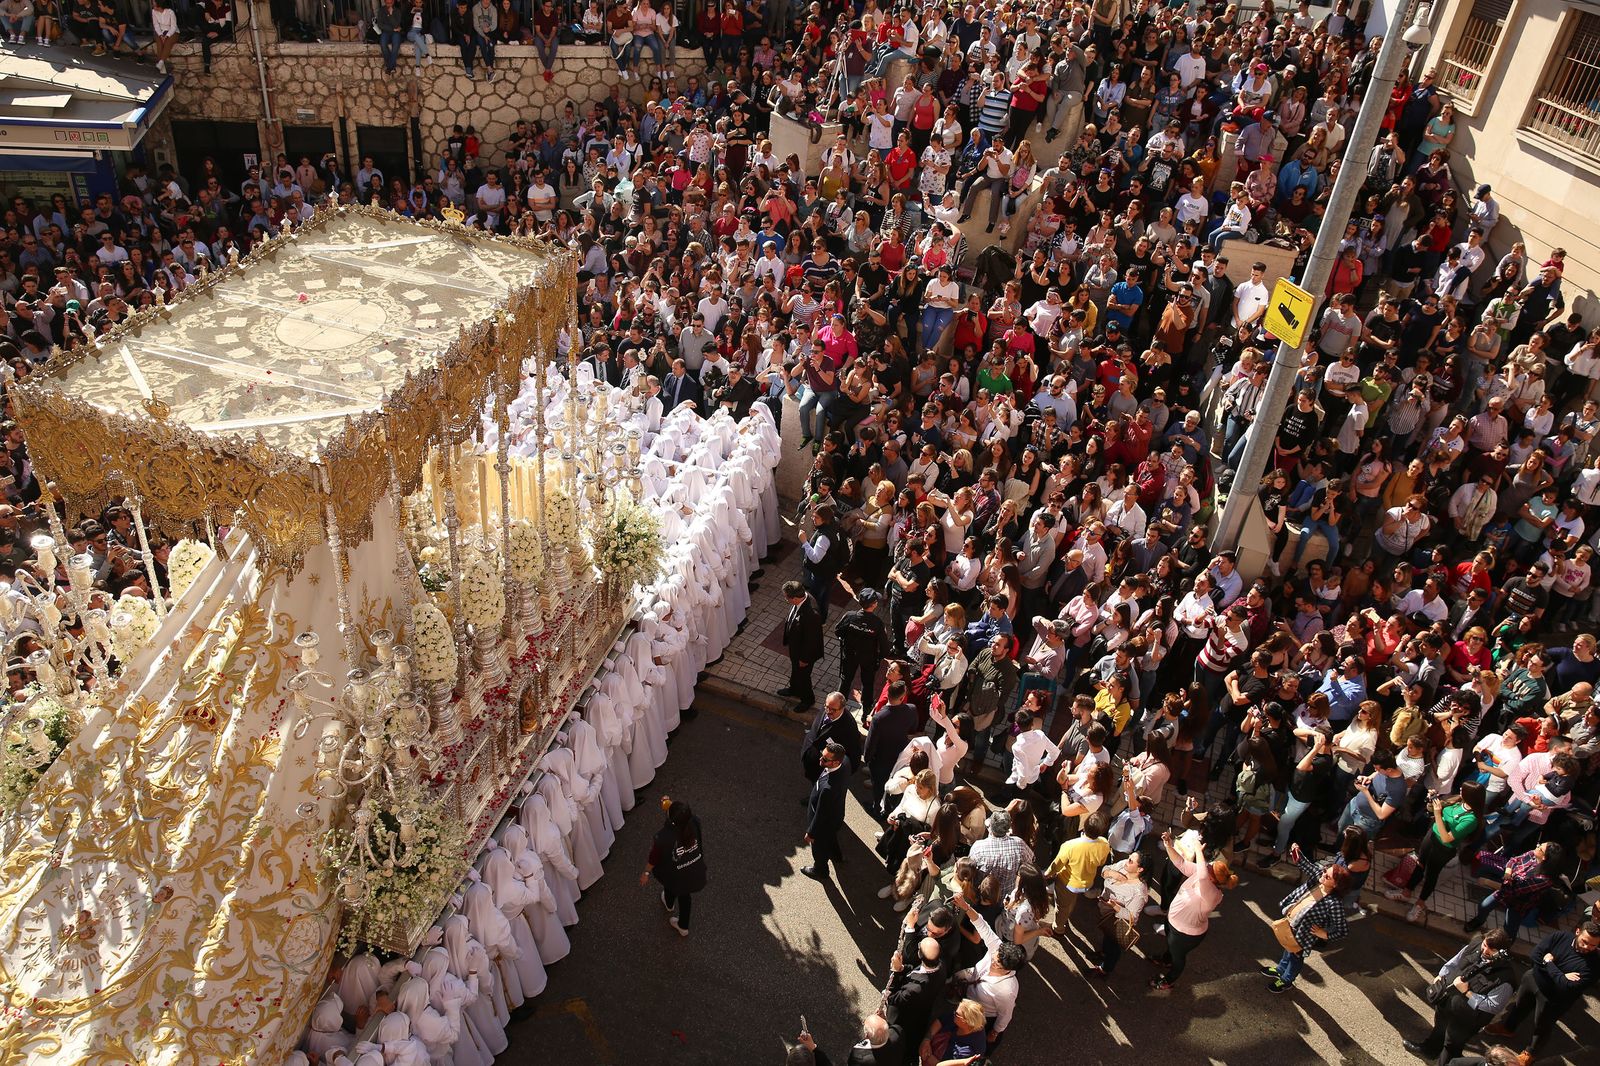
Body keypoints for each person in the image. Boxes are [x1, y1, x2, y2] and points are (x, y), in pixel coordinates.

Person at [1485, 921, 1600, 1058]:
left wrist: (1549, 963)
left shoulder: (1595, 964)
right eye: (1584, 941)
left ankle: (1530, 1053)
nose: (1587, 947)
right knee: (1519, 1006)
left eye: (1594, 945)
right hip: (1532, 980)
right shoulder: (1560, 936)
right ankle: (1508, 1028)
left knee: (1542, 1026)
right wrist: (1561, 976)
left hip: (1554, 999)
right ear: (1577, 932)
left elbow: (1569, 986)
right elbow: (1535, 955)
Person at [1404, 929, 1518, 1065]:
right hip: (1447, 1001)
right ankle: (1430, 1050)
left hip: (1468, 1018)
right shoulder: (1475, 945)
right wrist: (1441, 976)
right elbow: (1455, 962)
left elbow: (1492, 1006)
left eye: (1491, 949)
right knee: (1439, 1027)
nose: (1485, 950)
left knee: (1452, 1044)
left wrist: (1467, 992)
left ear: (1501, 952)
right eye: (1485, 945)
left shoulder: (1506, 978)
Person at [1149, 830, 1238, 991]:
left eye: (1208, 867)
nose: (1205, 866)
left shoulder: (1212, 894)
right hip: (1172, 921)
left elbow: (1203, 876)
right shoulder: (1202, 874)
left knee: (1178, 957)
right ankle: (1165, 960)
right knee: (1170, 945)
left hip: (1186, 934)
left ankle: (1169, 979)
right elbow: (1181, 863)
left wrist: (1198, 849)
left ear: (1213, 879)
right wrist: (1169, 846)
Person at [1264, 844, 1353, 992]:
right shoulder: (1320, 878)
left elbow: (1343, 929)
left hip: (1303, 935)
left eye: (1327, 875)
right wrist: (1297, 852)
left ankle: (1287, 980)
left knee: (1296, 957)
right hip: (1292, 923)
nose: (1323, 874)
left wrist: (1324, 934)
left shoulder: (1334, 903)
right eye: (1325, 870)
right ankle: (1280, 969)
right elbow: (1307, 866)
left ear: (1336, 884)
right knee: (1288, 949)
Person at [640, 798, 706, 936]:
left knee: (670, 885)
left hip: (674, 874)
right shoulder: (694, 823)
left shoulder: (663, 837)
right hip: (693, 871)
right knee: (685, 897)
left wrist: (646, 873)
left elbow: (653, 858)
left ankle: (669, 904)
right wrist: (671, 807)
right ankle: (683, 926)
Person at [802, 741, 851, 881]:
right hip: (835, 816)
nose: (820, 759)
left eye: (825, 759)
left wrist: (811, 833)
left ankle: (820, 870)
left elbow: (821, 815)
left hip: (824, 824)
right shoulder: (845, 761)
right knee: (831, 838)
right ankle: (837, 855)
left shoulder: (828, 789)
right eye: (822, 755)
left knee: (818, 848)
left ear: (835, 763)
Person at [801, 691, 863, 790]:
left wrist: (845, 773)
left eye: (833, 710)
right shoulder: (828, 707)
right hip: (811, 756)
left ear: (842, 708)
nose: (828, 712)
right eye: (826, 707)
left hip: (823, 767)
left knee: (818, 787)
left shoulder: (848, 727)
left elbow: (853, 752)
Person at [780, 580, 824, 712]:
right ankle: (794, 689)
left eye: (787, 597)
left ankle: (807, 699)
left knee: (804, 676)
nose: (785, 600)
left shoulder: (811, 614)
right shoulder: (802, 598)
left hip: (805, 654)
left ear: (795, 598)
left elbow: (812, 640)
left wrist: (804, 659)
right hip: (796, 649)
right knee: (796, 671)